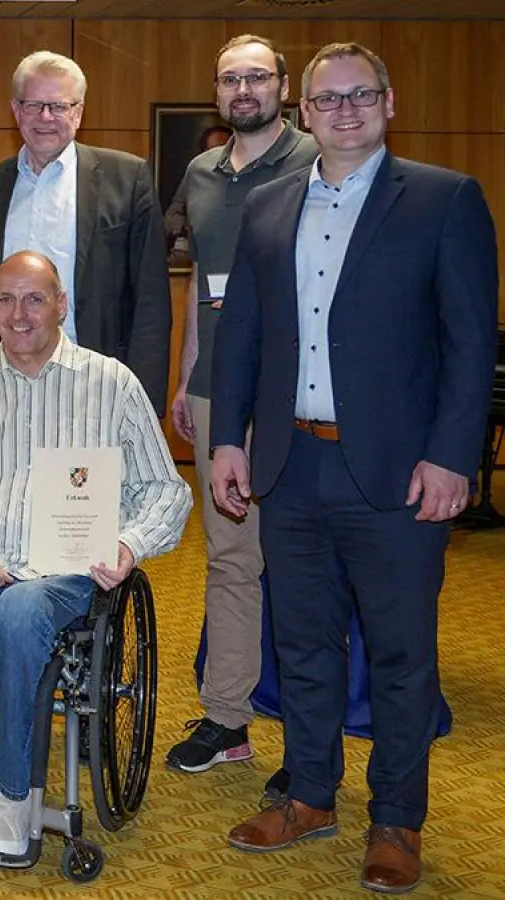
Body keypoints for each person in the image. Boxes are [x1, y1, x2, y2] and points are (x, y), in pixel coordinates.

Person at [211, 42, 497, 894]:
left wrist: (453, 456)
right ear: (304, 112)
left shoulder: (444, 200)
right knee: (302, 644)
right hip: (291, 465)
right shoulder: (266, 207)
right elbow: (242, 337)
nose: (343, 111)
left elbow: (470, 341)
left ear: (388, 101)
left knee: (404, 655)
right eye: (327, 99)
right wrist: (230, 438)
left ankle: (397, 820)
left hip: (399, 475)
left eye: (359, 96)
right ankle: (308, 795)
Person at [0, 251, 190, 854]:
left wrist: (129, 544)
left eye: (35, 298)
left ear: (62, 305)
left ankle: (13, 792)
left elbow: (166, 489)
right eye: (5, 299)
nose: (19, 313)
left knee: (21, 611)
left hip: (63, 573)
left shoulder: (112, 385)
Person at [163, 35, 317, 781]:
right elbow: (203, 280)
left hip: (295, 397)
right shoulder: (200, 172)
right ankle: (227, 718)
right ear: (218, 94)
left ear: (284, 86)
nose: (244, 89)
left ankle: (309, 745)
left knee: (301, 567)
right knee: (229, 561)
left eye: (257, 76)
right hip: (220, 391)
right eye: (230, 79)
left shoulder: (318, 161)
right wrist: (191, 373)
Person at [0, 51, 173, 416]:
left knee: (86, 477)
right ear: (15, 110)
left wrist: (143, 404)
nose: (46, 117)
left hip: (95, 389)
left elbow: (150, 303)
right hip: (0, 390)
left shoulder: (127, 179)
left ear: (79, 111)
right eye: (34, 105)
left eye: (58, 105)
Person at [164, 123, 236, 268]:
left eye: (223, 148)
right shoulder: (196, 175)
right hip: (202, 253)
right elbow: (174, 213)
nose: (219, 154)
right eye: (213, 150)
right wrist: (181, 233)